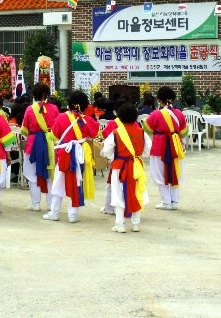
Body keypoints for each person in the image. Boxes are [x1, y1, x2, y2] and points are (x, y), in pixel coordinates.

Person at [43, 91, 98, 223]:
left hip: (65, 154)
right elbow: (94, 134)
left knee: (58, 182)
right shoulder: (88, 120)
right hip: (80, 154)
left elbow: (54, 135)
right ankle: (72, 215)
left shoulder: (61, 117)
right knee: (77, 182)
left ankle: (54, 212)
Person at [101, 102, 150, 233]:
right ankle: (136, 224)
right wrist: (138, 156)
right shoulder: (142, 132)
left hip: (119, 167)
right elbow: (148, 150)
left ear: (120, 117)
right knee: (137, 192)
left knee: (118, 194)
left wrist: (113, 158)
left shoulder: (116, 133)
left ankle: (120, 224)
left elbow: (106, 150)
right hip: (137, 166)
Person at [143, 87, 188, 210]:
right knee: (176, 172)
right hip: (176, 145)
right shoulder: (180, 114)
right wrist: (182, 145)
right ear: (173, 99)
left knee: (159, 173)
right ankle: (174, 201)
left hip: (159, 146)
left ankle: (165, 201)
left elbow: (147, 128)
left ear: (159, 100)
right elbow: (184, 133)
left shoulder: (156, 114)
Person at [19, 83, 58, 212]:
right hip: (51, 144)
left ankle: (35, 204)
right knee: (50, 175)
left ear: (34, 95)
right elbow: (58, 129)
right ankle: (50, 205)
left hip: (33, 144)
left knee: (32, 175)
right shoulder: (54, 109)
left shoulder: (30, 109)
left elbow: (24, 130)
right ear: (47, 94)